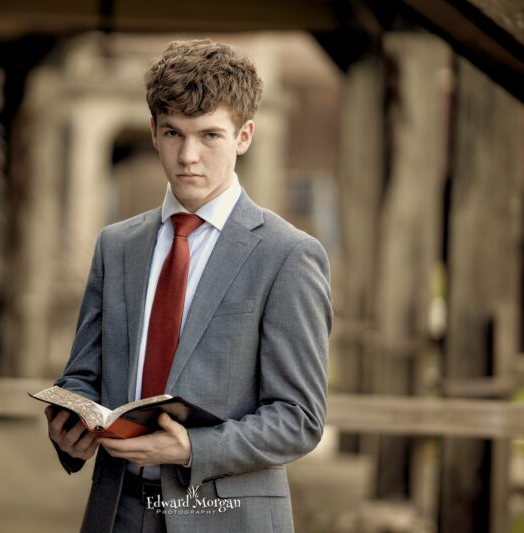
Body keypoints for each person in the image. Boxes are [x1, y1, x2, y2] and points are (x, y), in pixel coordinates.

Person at [45, 38, 332, 533]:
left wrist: (192, 448)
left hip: (227, 518)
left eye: (210, 135)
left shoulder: (288, 254)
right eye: (174, 133)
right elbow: (83, 376)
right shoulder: (116, 245)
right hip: (117, 512)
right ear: (153, 132)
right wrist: (68, 427)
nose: (188, 156)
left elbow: (299, 418)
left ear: (244, 136)